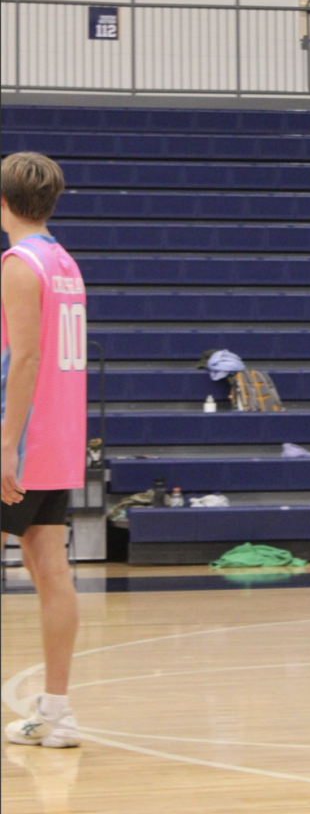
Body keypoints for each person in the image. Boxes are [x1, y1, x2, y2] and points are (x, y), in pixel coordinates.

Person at [1, 152, 87, 747]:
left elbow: (25, 357)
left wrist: (7, 445)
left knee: (48, 571)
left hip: (23, 441)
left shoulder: (17, 263)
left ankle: (56, 715)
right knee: (50, 571)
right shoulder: (65, 262)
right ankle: (56, 714)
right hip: (59, 440)